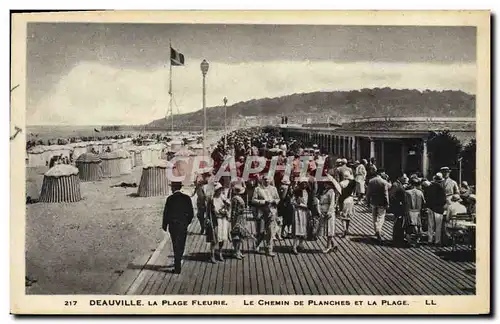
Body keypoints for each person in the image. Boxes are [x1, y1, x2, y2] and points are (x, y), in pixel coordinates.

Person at [162, 181, 194, 274]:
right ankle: (178, 262)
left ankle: (177, 265)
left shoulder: (170, 199)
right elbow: (191, 213)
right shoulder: (186, 198)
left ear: (173, 188)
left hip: (173, 225)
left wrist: (165, 225)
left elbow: (166, 213)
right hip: (182, 225)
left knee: (175, 244)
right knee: (181, 244)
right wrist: (186, 223)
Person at [252, 175, 280, 257]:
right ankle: (257, 245)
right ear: (262, 180)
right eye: (265, 179)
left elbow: (278, 198)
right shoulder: (257, 189)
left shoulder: (274, 189)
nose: (267, 181)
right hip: (261, 212)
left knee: (270, 231)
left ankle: (269, 250)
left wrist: (275, 201)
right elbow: (253, 200)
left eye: (268, 179)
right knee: (261, 232)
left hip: (272, 212)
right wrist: (263, 202)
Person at [206, 183, 231, 263]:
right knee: (214, 238)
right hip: (215, 220)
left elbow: (228, 206)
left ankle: (220, 253)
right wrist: (207, 218)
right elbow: (208, 210)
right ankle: (212, 255)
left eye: (220, 189)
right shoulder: (211, 199)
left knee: (222, 237)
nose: (220, 191)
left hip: (223, 219)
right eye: (218, 190)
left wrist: (227, 206)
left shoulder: (223, 197)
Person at [366, 168, 390, 243]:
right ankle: (378, 230)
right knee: (381, 217)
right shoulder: (384, 182)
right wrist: (387, 203)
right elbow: (386, 194)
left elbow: (368, 192)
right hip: (382, 202)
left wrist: (367, 201)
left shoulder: (371, 181)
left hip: (373, 201)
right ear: (381, 173)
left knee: (374, 217)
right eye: (383, 173)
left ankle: (376, 230)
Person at [319, 175, 340, 253]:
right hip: (323, 211)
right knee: (325, 229)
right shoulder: (325, 191)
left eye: (326, 183)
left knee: (329, 230)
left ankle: (328, 247)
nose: (324, 184)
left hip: (329, 212)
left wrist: (329, 212)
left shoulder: (331, 192)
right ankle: (334, 244)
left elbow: (332, 203)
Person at [424, 173, 447, 246]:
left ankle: (430, 240)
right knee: (438, 226)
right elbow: (443, 200)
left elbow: (426, 197)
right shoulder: (441, 188)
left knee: (430, 225)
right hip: (438, 209)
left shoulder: (428, 187)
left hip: (430, 208)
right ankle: (437, 241)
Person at [230, 184, 252, 260]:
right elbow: (233, 210)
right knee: (236, 235)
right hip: (237, 218)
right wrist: (234, 220)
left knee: (240, 235)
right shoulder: (235, 198)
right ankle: (236, 251)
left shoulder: (239, 198)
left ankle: (238, 251)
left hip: (241, 217)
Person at [404, 177, 426, 247]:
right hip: (418, 211)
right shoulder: (420, 192)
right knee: (419, 226)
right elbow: (424, 202)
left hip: (409, 211)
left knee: (408, 227)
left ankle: (410, 242)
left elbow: (404, 202)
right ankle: (417, 240)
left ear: (410, 184)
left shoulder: (407, 192)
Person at [291, 177, 310, 254]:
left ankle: (300, 244)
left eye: (306, 183)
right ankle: (294, 246)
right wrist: (298, 204)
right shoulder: (296, 191)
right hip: (298, 212)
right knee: (297, 228)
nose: (304, 184)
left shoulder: (308, 191)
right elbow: (292, 201)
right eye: (303, 183)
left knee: (304, 228)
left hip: (305, 212)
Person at [389, 175, 408, 247]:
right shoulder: (396, 185)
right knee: (398, 223)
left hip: (399, 207)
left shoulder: (399, 185)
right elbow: (391, 195)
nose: (405, 179)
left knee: (399, 223)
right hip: (398, 208)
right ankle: (397, 239)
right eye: (404, 178)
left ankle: (399, 238)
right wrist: (398, 203)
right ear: (399, 177)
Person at [338, 171, 356, 237]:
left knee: (343, 215)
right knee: (348, 215)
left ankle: (344, 229)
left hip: (343, 199)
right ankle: (347, 229)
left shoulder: (341, 183)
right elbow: (354, 192)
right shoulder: (353, 182)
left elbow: (339, 192)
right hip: (350, 199)